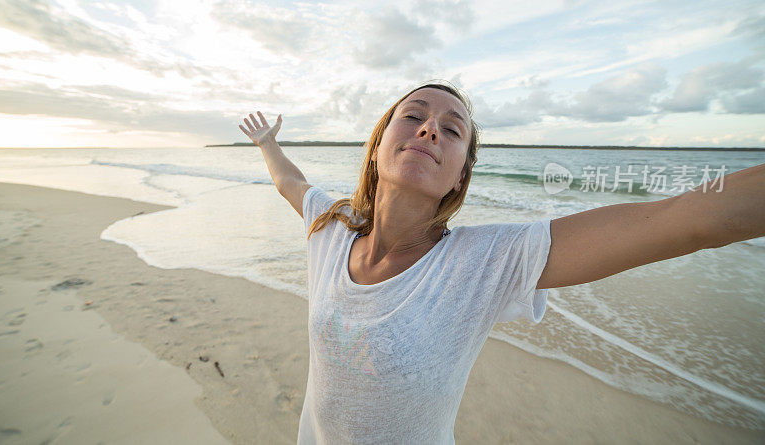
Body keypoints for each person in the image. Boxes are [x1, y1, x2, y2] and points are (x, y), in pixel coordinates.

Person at [239, 81, 765, 444]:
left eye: (452, 130)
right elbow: (291, 181)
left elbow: (681, 218)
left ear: (459, 178)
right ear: (378, 145)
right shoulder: (331, 228)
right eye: (415, 116)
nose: (430, 130)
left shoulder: (483, 263)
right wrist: (268, 144)